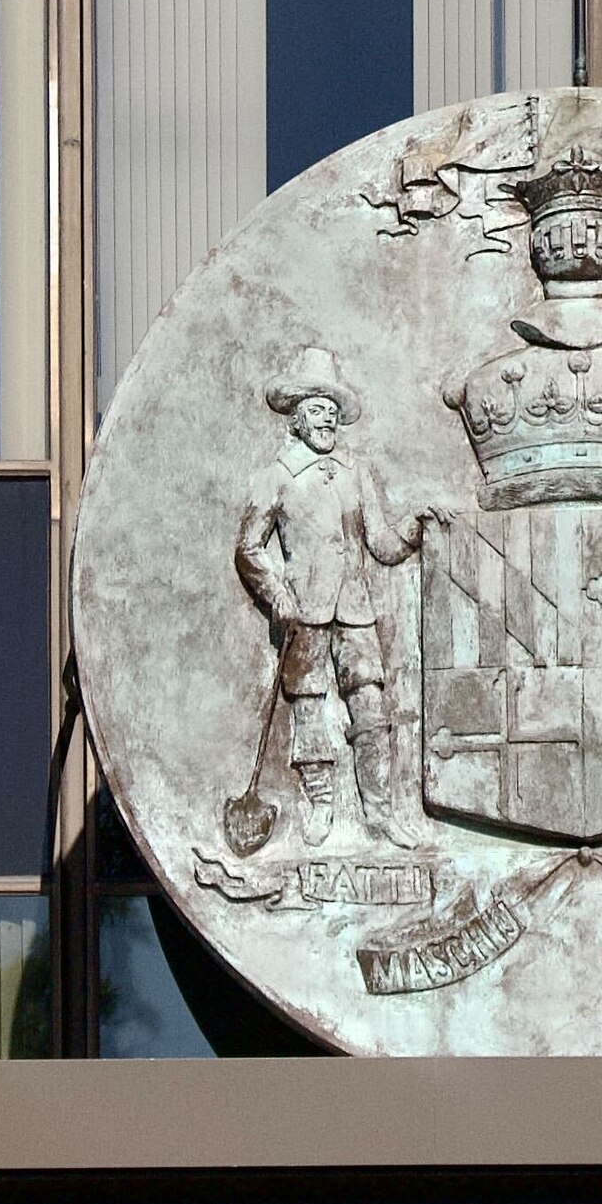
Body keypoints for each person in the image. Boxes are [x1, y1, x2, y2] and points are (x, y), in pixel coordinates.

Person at [225, 359, 443, 853]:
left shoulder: (355, 472)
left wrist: (416, 525)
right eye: (317, 409)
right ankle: (320, 804)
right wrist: (277, 594)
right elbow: (249, 548)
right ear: (296, 418)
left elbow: (382, 544)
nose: (327, 419)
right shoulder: (275, 477)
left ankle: (381, 814)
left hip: (355, 611)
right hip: (304, 612)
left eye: (332, 411)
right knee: (309, 710)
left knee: (372, 710)